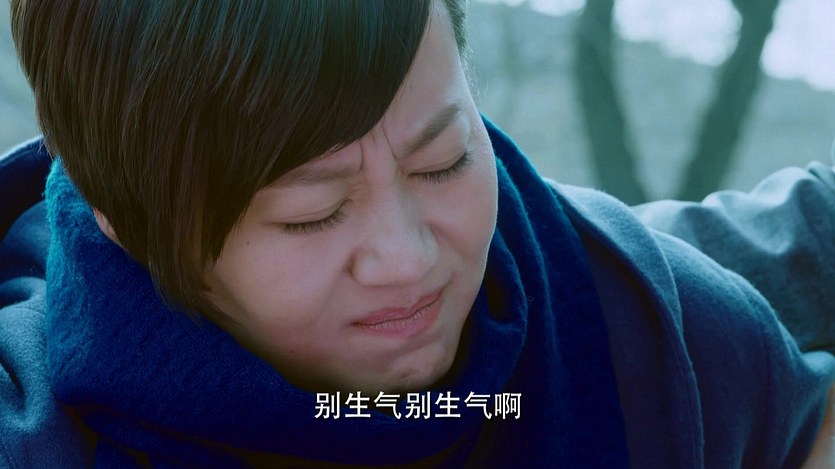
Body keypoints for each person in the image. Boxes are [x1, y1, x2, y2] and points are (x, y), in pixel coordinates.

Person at [1, 0, 833, 467]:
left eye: (443, 162)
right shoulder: (39, 441)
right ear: (124, 216)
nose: (410, 260)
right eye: (311, 212)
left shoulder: (649, 330)